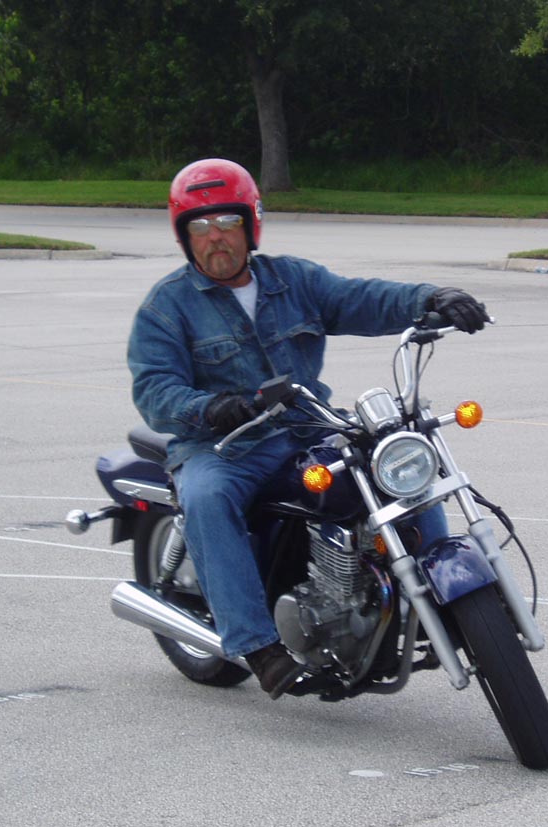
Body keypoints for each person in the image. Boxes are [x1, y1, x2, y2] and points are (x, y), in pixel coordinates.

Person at [127, 158, 488, 698]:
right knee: (206, 497)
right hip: (223, 446)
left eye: (226, 222)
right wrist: (212, 407)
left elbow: (361, 298)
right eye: (200, 227)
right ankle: (257, 644)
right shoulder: (167, 306)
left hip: (307, 428)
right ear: (184, 236)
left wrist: (431, 300)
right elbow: (154, 389)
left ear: (250, 224)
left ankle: (441, 597)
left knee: (398, 462)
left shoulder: (292, 280)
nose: (215, 237)